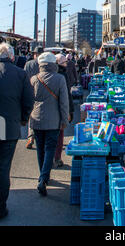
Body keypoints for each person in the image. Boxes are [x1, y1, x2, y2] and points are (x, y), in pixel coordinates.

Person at [0, 43, 34, 219]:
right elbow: (29, 100)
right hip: (8, 126)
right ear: (12, 57)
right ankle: (0, 207)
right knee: (3, 168)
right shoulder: (20, 74)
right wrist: (23, 119)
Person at [30, 52, 69, 196]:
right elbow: (63, 102)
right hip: (54, 120)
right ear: (54, 64)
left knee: (40, 149)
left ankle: (43, 175)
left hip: (36, 119)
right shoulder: (59, 79)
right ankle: (43, 178)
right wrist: (64, 120)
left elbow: (29, 100)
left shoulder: (34, 78)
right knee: (50, 149)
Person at [53, 54, 74, 168]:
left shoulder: (41, 75)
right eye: (65, 63)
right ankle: (57, 158)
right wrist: (70, 111)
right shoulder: (62, 76)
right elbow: (66, 95)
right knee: (59, 136)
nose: (66, 64)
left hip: (44, 113)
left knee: (48, 139)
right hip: (59, 110)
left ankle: (46, 163)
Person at [24, 46, 44, 149]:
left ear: (35, 54)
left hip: (31, 91)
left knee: (32, 115)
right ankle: (40, 137)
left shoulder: (28, 64)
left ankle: (31, 137)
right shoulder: (45, 64)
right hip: (43, 92)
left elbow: (25, 78)